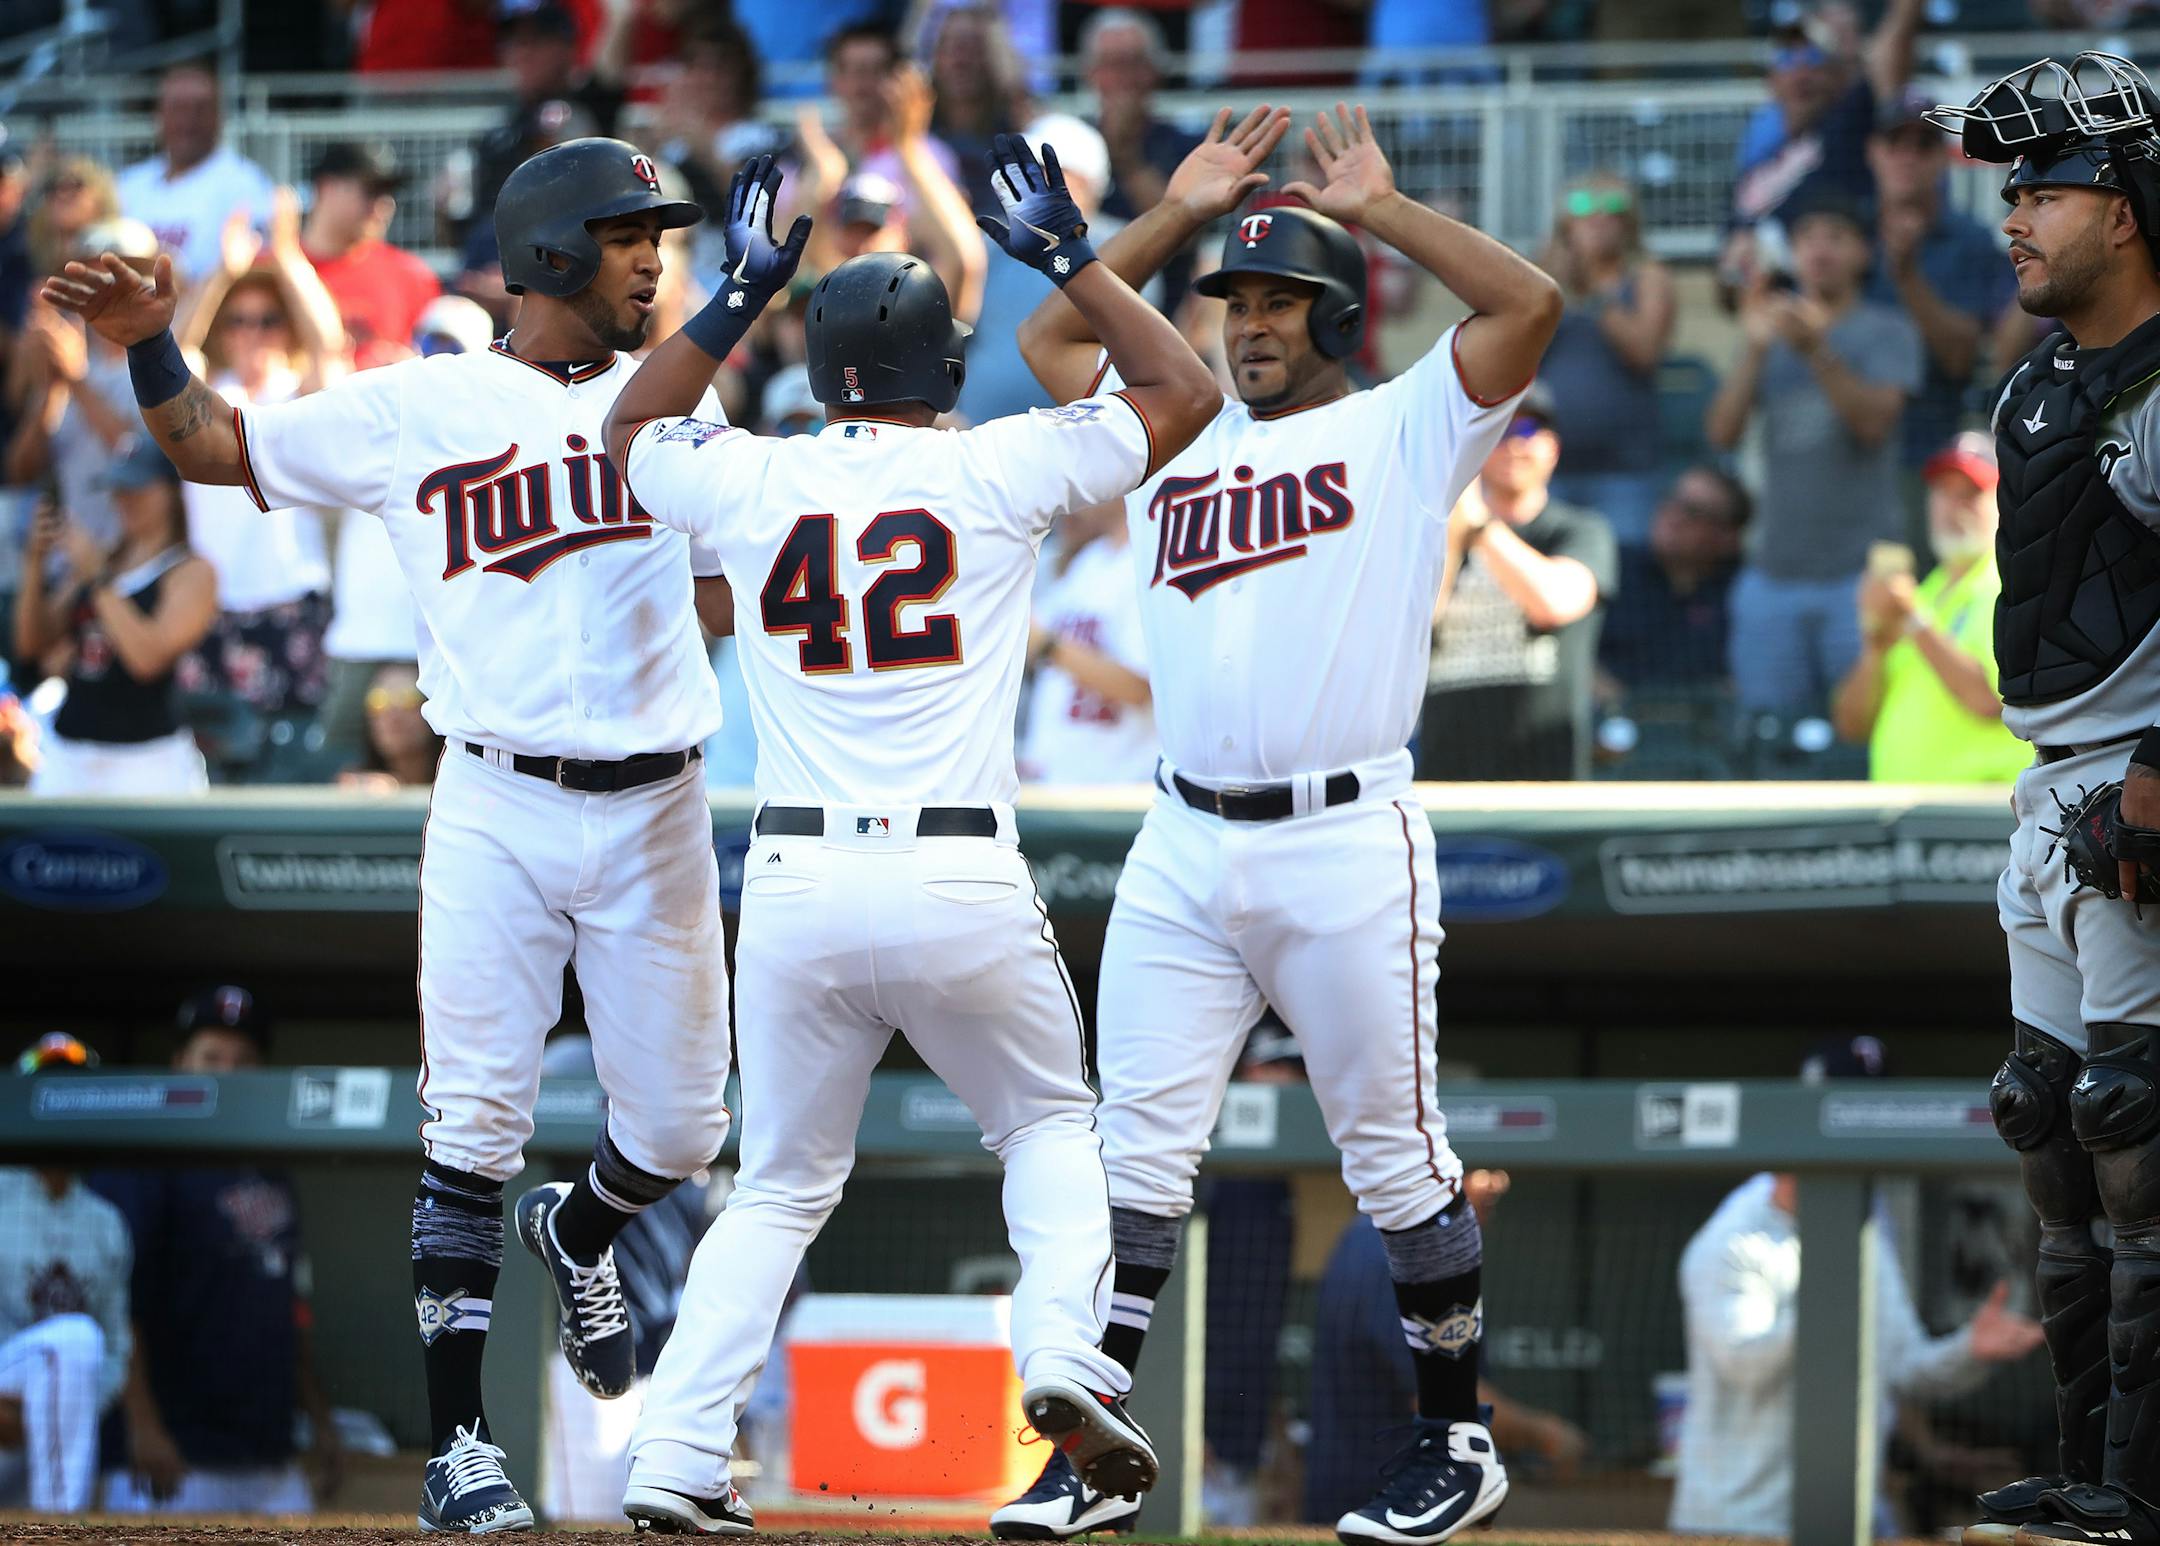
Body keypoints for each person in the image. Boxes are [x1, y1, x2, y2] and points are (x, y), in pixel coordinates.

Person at [43, 135, 741, 1532]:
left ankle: (584, 1228)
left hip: (661, 794)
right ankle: (457, 1444)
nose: (654, 256)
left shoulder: (684, 413)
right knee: (471, 1121)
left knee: (680, 1127)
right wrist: (151, 344)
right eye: (625, 233)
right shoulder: (423, 402)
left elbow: (726, 597)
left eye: (657, 232)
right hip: (491, 793)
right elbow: (213, 447)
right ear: (549, 249)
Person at [598, 139, 1222, 1534]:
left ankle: (676, 1456)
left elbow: (626, 435)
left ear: (824, 372)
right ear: (947, 368)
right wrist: (1067, 259)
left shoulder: (752, 476)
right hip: (956, 867)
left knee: (777, 1183)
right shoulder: (999, 466)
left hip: (801, 873)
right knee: (1054, 1122)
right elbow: (1186, 390)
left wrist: (738, 294)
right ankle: (1063, 1351)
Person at [1012, 102, 1562, 1543]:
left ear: (1333, 313)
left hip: (1341, 837)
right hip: (1184, 839)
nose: (1250, 323)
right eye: (1234, 301)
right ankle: (1093, 1454)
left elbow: (1530, 303)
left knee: (1392, 1157)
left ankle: (1459, 1440)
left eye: (1279, 301)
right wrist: (1177, 217)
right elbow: (1056, 348)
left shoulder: (1405, 421)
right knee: (1133, 1150)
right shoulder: (1178, 432)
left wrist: (1377, 211)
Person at [1925, 51, 2160, 1545]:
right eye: (2010, 191)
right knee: (2049, 1122)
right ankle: (2089, 1469)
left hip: (2137, 780)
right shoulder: (2037, 384)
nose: (2016, 215)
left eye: (2048, 189)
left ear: (2127, 208)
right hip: (2046, 784)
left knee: (2136, 1129)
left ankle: (2143, 1485)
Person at [1671, 1038, 2043, 1537]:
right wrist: (1828, 1306)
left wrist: (1968, 1351)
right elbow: (1744, 1365)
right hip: (1740, 1525)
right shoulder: (1737, 1236)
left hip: (1851, 1516)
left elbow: (1903, 1366)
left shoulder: (1868, 1221)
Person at [91, 988, 341, 1516]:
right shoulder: (145, 1161)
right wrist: (143, 1426)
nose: (228, 1073)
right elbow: (116, 1303)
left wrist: (320, 1418)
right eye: (212, 1057)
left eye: (245, 1061)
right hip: (176, 1455)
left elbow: (286, 1308)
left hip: (268, 1454)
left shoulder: (272, 1170)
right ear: (180, 1064)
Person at [1707, 189, 1923, 718]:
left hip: (1862, 575)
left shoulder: (1886, 331)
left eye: (1836, 237)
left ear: (1862, 254)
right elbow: (1720, 435)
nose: (1820, 250)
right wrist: (1756, 348)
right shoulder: (1768, 336)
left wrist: (1817, 352)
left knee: (1866, 734)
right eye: (1807, 238)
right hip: (1773, 574)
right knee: (1766, 740)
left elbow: (1873, 425)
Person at [1305, 1173, 1586, 1527]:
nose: (1496, 1185)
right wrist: (1545, 1433)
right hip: (1392, 1495)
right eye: (1480, 1173)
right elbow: (1434, 1397)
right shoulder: (1395, 1252)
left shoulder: (1365, 1237)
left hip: (1377, 1490)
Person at [171, 197, 346, 764]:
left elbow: (328, 344)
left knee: (295, 766)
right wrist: (224, 272)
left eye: (267, 319)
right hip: (215, 608)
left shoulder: (301, 392)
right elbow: (173, 354)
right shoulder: (211, 394)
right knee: (217, 770)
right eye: (239, 319)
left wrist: (290, 259)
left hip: (295, 601)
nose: (253, 332)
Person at [1421, 381, 1618, 781]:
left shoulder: (1580, 530)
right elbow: (1412, 628)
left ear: (1554, 449)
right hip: (1445, 784)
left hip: (1547, 787)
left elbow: (1556, 603)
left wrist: (1479, 526)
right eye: (1497, 433)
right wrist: (1454, 532)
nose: (1514, 444)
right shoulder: (1433, 538)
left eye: (1528, 431)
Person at [13, 445, 216, 797]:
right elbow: (32, 644)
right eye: (119, 488)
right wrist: (35, 562)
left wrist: (99, 581)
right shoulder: (102, 559)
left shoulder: (192, 572)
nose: (125, 499)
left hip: (148, 759)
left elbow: (147, 660)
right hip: (71, 753)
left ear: (170, 491)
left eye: (137, 488)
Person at [1831, 432, 2026, 782]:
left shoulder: (2016, 583)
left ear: (2003, 503)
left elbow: (1990, 701)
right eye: (1943, 492)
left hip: (1978, 819)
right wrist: (1874, 648)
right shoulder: (1925, 593)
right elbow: (1851, 725)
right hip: (1904, 815)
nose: (1954, 507)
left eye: (1970, 494)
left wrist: (1912, 617)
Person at [0, 1036, 131, 1516]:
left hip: (46, 1441)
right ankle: (61, 1527)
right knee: (72, 1339)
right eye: (45, 1093)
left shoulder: (106, 1221)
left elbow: (116, 1351)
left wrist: (60, 1410)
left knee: (78, 1342)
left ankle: (57, 1522)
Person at [1865, 91, 2020, 489]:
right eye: (1894, 143)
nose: (1908, 156)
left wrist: (1907, 275)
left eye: (1923, 144)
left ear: (1941, 157)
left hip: (1934, 447)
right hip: (1849, 447)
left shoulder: (1972, 243)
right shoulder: (1841, 233)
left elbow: (1961, 359)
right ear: (1873, 152)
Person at [1536, 174, 1674, 548]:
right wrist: (1553, 286)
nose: (1597, 218)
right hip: (1545, 470)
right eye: (1582, 207)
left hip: (1625, 474)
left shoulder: (1648, 275)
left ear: (1629, 222)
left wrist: (1597, 289)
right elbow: (1517, 355)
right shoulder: (1542, 278)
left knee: (1627, 584)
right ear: (1566, 223)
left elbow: (1645, 353)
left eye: (1612, 208)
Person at [7, 220, 156, 552]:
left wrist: (75, 379)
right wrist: (53, 388)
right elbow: (20, 471)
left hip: (134, 570)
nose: (97, 289)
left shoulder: (169, 362)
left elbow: (140, 457)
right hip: (71, 572)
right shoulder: (70, 355)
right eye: (86, 276)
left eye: (114, 273)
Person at [1730, 0, 1922, 229]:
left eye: (1814, 58)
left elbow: (1890, 54)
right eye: (1787, 59)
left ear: (1836, 76)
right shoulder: (1759, 152)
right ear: (1771, 81)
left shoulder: (1846, 131)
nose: (1802, 74)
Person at [1019, 496, 1155, 784]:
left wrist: (1045, 645)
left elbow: (1140, 688)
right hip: (1059, 781)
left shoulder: (1149, 560)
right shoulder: (1091, 560)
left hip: (1120, 793)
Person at [1597, 464, 1750, 698]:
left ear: (1728, 537)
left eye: (1694, 511)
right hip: (1617, 721)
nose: (1673, 515)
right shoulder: (1613, 567)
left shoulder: (1743, 591)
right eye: (1671, 499)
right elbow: (1574, 654)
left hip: (1709, 725)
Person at [115, 61, 275, 285]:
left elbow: (253, 276)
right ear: (159, 115)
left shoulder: (245, 184)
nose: (188, 121)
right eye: (178, 108)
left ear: (218, 116)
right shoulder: (130, 185)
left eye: (200, 109)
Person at [302, 141, 442, 372]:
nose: (384, 204)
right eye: (371, 191)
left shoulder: (412, 276)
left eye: (389, 193)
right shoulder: (271, 270)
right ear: (326, 188)